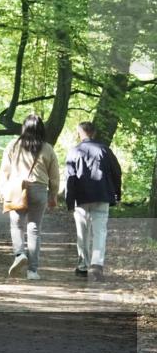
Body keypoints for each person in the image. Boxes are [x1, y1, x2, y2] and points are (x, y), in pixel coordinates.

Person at [0, 113, 60, 280]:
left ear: (24, 128)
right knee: (34, 229)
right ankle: (32, 271)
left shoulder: (13, 145)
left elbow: (5, 171)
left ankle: (19, 254)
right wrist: (53, 194)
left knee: (16, 225)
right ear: (41, 129)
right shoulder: (47, 148)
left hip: (17, 188)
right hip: (40, 189)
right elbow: (54, 175)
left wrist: (3, 190)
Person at [65, 121, 122, 282]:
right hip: (102, 195)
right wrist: (117, 194)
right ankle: (97, 264)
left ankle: (83, 266)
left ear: (79, 133)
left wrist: (70, 201)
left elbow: (70, 177)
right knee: (100, 232)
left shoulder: (74, 151)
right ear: (94, 133)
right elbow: (117, 173)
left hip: (81, 198)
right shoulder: (105, 150)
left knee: (82, 232)